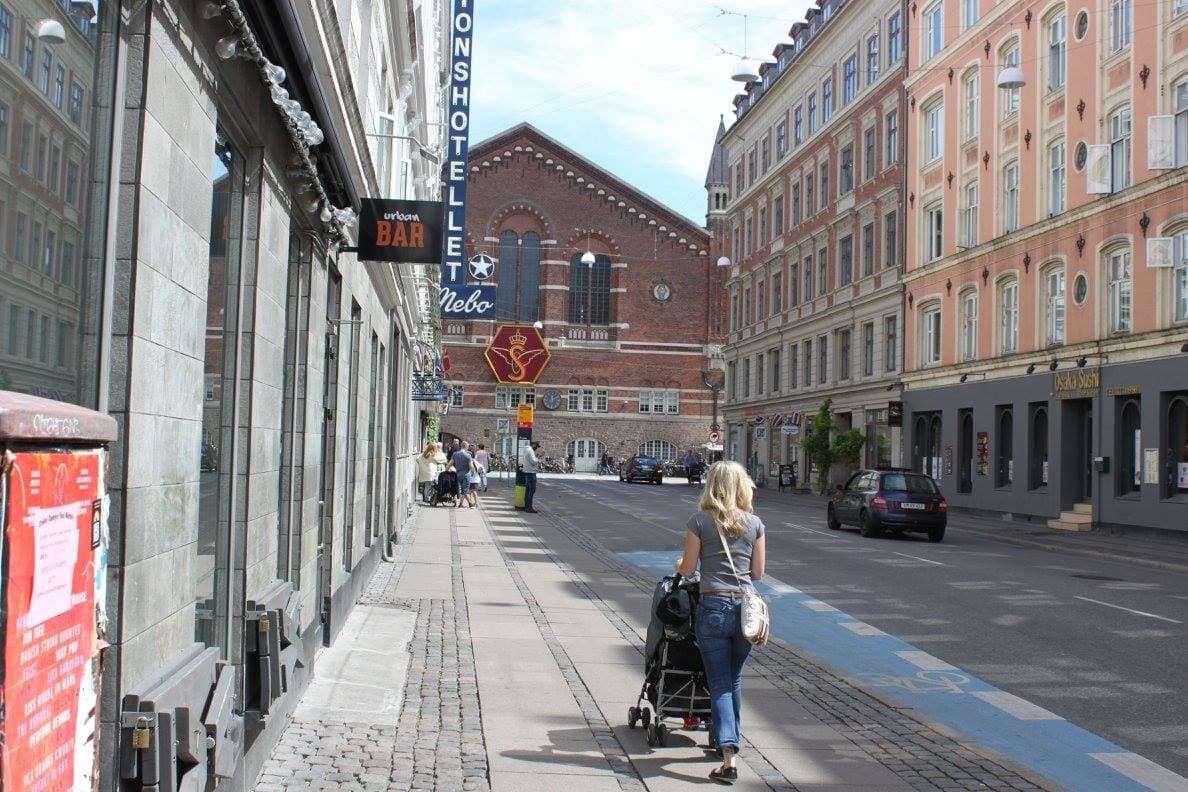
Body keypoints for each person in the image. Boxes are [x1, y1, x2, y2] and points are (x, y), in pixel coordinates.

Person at [676, 461, 766, 784]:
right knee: (734, 679)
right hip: (744, 611)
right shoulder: (755, 524)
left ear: (711, 486)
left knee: (720, 684)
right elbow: (757, 574)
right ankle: (725, 741)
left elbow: (687, 570)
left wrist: (680, 562)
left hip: (712, 608)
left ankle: (728, 755)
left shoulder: (699, 521)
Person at [450, 440, 478, 508]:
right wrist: (474, 472)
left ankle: (461, 504)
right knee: (465, 490)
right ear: (466, 446)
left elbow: (450, 463)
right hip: (466, 475)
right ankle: (470, 504)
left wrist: (446, 470)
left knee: (462, 489)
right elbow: (471, 466)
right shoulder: (468, 455)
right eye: (468, 446)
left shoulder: (455, 454)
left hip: (458, 474)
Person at [518, 440, 541, 513]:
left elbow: (531, 460)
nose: (537, 448)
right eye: (537, 446)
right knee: (532, 490)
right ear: (534, 445)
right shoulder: (530, 450)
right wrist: (539, 458)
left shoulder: (526, 450)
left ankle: (527, 506)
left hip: (527, 472)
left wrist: (536, 456)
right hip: (531, 472)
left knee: (528, 490)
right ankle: (529, 507)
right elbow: (533, 462)